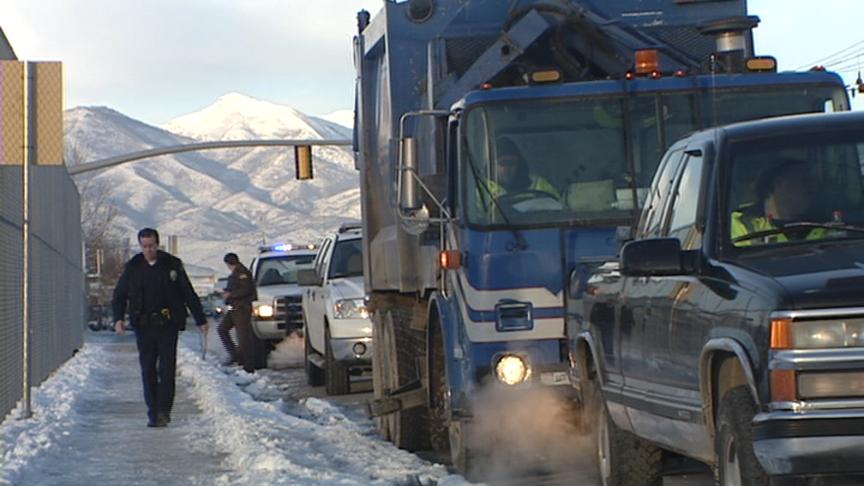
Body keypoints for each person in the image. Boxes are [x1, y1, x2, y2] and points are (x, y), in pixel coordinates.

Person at [112, 228, 208, 428]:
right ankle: (153, 413)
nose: (148, 250)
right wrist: (118, 318)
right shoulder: (134, 267)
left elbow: (187, 293)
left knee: (166, 369)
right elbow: (120, 294)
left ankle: (164, 410)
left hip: (167, 324)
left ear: (158, 244)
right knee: (148, 370)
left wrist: (200, 319)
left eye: (152, 246)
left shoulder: (172, 265)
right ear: (140, 246)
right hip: (144, 326)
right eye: (144, 246)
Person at [731, 160, 826, 246]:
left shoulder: (826, 222)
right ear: (779, 183)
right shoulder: (742, 224)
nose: (813, 188)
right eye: (805, 182)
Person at [217, 252, 258, 372]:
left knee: (243, 337)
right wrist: (225, 293)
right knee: (222, 329)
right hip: (234, 308)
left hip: (242, 308)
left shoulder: (242, 273)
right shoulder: (236, 273)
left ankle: (248, 365)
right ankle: (235, 355)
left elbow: (246, 290)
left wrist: (231, 294)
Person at [486, 137, 560, 201]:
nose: (506, 169)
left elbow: (558, 207)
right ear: (492, 165)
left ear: (519, 165)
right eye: (502, 163)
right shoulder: (483, 189)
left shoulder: (538, 184)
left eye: (511, 163)